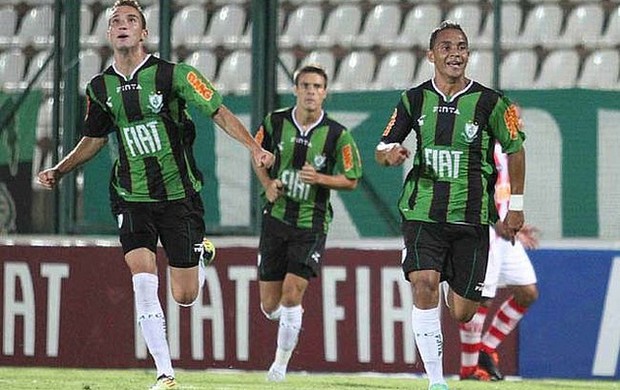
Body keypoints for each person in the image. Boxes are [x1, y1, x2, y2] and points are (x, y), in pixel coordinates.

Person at [36, 1, 273, 389]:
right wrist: (60, 170)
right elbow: (93, 140)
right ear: (109, 34)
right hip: (130, 195)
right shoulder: (99, 88)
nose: (122, 26)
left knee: (184, 295)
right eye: (115, 21)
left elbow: (219, 112)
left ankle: (198, 253)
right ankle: (165, 373)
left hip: (179, 196)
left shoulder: (175, 76)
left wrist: (253, 147)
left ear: (144, 33)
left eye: (131, 20)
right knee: (143, 280)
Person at [375, 21, 527, 390]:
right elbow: (381, 147)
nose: (454, 53)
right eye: (445, 47)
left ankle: (452, 283)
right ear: (431, 55)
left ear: (468, 54)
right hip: (422, 211)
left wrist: (516, 205)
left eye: (461, 46)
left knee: (463, 312)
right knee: (423, 283)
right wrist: (390, 155)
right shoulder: (413, 99)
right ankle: (436, 380)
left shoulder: (491, 102)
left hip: (471, 218)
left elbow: (516, 148)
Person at [252, 64, 362, 382]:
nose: (311, 91)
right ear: (296, 90)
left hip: (311, 223)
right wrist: (267, 182)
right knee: (269, 305)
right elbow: (256, 152)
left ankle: (279, 367)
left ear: (325, 92)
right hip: (275, 219)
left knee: (291, 293)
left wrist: (321, 178)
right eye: (305, 85)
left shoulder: (338, 135)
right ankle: (290, 317)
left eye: (317, 86)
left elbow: (352, 178)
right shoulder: (275, 122)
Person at [459, 142, 539, 381]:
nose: (520, 124)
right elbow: (475, 187)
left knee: (527, 293)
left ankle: (486, 348)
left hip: (506, 231)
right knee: (482, 297)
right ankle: (469, 369)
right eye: (515, 118)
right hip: (487, 230)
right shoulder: (485, 146)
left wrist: (516, 224)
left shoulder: (509, 151)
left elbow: (500, 192)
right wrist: (494, 222)